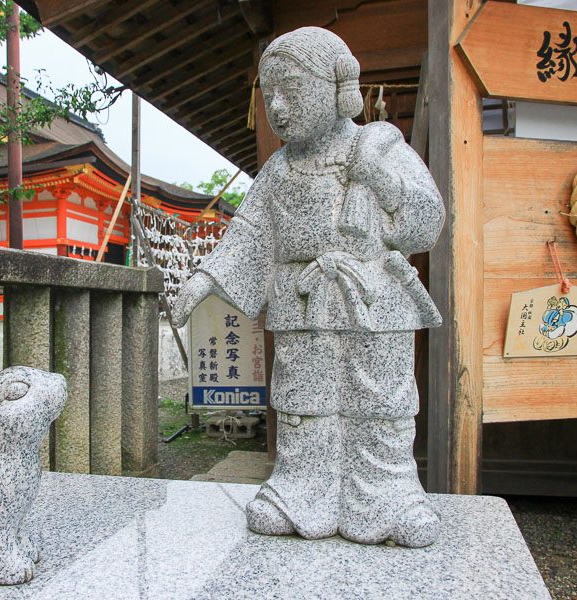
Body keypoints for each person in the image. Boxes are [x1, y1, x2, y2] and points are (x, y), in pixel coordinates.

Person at [172, 26, 445, 547]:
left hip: (375, 297)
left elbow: (426, 219)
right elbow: (249, 234)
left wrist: (378, 178)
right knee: (303, 400)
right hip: (303, 299)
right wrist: (204, 279)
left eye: (291, 92)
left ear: (339, 90)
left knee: (381, 400)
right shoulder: (277, 169)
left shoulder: (382, 146)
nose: (277, 107)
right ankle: (300, 489)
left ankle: (391, 497)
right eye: (269, 94)